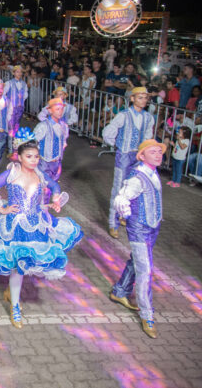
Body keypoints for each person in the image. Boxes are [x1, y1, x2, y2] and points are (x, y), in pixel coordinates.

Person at [0, 129, 82, 328]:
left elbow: (55, 187)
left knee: (28, 264)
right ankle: (16, 307)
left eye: (36, 156)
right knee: (18, 266)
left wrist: (55, 200)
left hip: (36, 224)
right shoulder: (12, 172)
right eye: (29, 156)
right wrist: (1, 207)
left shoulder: (40, 174)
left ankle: (12, 295)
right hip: (14, 225)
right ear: (19, 157)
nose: (34, 160)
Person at [109, 139, 166, 338]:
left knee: (137, 261)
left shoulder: (152, 172)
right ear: (142, 156)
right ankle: (147, 314)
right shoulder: (137, 177)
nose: (158, 154)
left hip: (152, 226)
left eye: (160, 151)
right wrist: (125, 214)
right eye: (153, 152)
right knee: (145, 271)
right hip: (140, 229)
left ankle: (120, 291)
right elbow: (120, 198)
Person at [102, 87, 155, 238]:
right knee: (118, 189)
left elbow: (147, 137)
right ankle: (113, 224)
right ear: (132, 98)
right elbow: (108, 132)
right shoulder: (123, 115)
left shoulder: (148, 118)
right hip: (124, 156)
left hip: (137, 157)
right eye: (140, 97)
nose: (144, 100)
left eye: (145, 98)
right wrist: (118, 145)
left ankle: (124, 216)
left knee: (133, 189)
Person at [33, 98, 69, 185]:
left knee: (53, 186)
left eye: (61, 109)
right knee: (43, 187)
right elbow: (34, 141)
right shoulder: (43, 126)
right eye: (57, 109)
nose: (60, 112)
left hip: (57, 162)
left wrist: (61, 150)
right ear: (50, 110)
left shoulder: (63, 126)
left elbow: (63, 140)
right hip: (44, 163)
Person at [5, 66, 28, 147]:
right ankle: (9, 146)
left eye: (20, 72)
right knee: (10, 126)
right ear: (13, 73)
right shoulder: (9, 83)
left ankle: (14, 144)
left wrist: (20, 102)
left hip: (20, 108)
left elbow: (25, 94)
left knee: (17, 126)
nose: (19, 73)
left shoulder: (24, 84)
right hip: (11, 108)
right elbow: (3, 94)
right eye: (17, 72)